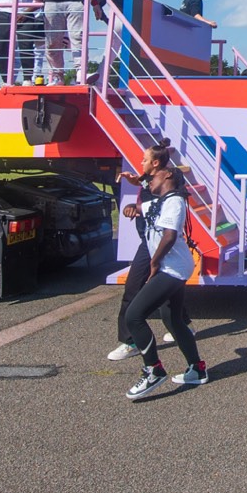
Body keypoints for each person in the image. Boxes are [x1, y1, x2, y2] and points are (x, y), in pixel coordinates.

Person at [119, 163, 209, 398]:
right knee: (173, 319)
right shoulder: (159, 201)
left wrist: (154, 262)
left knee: (134, 316)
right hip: (171, 267)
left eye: (152, 175)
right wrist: (131, 207)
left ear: (168, 174)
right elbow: (141, 207)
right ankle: (197, 369)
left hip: (171, 268)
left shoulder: (175, 201)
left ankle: (154, 370)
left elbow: (169, 235)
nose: (148, 179)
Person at [107, 143, 176, 362]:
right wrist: (132, 181)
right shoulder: (149, 177)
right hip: (148, 241)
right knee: (133, 287)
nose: (141, 163)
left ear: (155, 164)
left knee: (166, 290)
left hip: (164, 243)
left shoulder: (168, 180)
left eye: (144, 160)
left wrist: (135, 208)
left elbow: (160, 203)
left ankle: (181, 326)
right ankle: (130, 342)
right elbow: (142, 180)